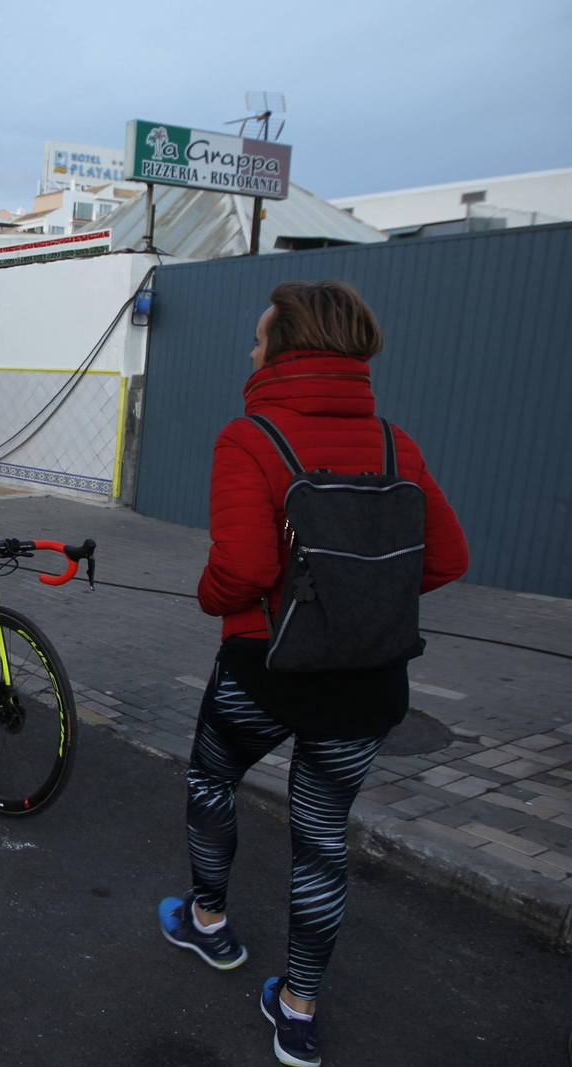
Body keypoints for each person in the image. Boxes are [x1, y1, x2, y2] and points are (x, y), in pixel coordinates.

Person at [156, 280, 469, 1066]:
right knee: (323, 838)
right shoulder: (400, 445)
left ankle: (210, 924)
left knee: (210, 782)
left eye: (261, 340)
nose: (251, 352)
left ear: (290, 349)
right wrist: (361, 600)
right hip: (366, 682)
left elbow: (244, 565)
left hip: (266, 669)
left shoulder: (250, 438)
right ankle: (297, 1012)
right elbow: (450, 559)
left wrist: (209, 597)